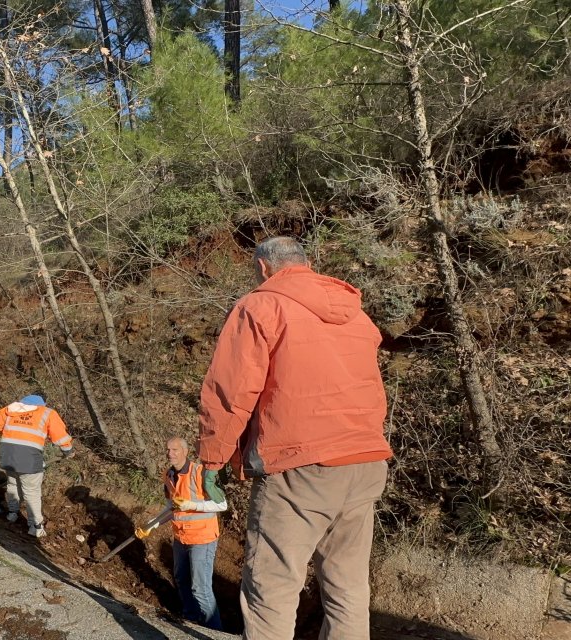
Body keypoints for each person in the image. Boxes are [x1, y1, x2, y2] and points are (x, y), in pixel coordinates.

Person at [197, 236, 393, 640]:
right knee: (347, 586)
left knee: (272, 585)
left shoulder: (260, 305)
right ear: (306, 263)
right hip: (365, 459)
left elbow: (230, 392)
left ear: (265, 268)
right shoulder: (356, 314)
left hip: (300, 465)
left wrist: (213, 458)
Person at [138, 437, 227, 631]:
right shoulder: (168, 475)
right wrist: (151, 525)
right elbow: (171, 508)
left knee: (200, 589)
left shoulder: (200, 473)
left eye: (175, 450)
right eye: (168, 450)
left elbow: (222, 504)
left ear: (185, 452)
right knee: (181, 579)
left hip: (202, 539)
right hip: (180, 538)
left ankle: (214, 631)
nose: (171, 453)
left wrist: (191, 505)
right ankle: (191, 618)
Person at [0, 394, 74, 537]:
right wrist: (68, 450)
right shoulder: (47, 413)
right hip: (28, 459)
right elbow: (60, 435)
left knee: (12, 484)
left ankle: (12, 513)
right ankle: (35, 526)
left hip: (8, 454)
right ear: (41, 404)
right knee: (31, 492)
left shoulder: (11, 409)